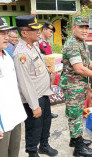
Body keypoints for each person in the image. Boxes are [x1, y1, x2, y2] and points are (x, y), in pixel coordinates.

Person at [59, 17, 92, 157]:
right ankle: (78, 149)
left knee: (78, 113)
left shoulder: (81, 43)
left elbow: (87, 62)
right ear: (74, 28)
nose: (85, 30)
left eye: (87, 28)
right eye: (81, 27)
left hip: (78, 85)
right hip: (73, 86)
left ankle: (75, 140)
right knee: (75, 116)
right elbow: (80, 68)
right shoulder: (72, 44)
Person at [13, 15, 58, 157]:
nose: (39, 31)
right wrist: (34, 105)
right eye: (35, 29)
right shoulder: (21, 53)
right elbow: (24, 82)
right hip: (33, 98)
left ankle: (44, 145)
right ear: (24, 33)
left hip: (43, 93)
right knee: (34, 127)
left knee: (45, 123)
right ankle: (32, 152)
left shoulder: (32, 46)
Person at [0, 16, 27, 157]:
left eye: (6, 33)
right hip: (2, 121)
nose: (5, 37)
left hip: (15, 116)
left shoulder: (8, 55)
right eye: (1, 33)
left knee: (14, 152)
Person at [39, 21, 58, 119]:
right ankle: (43, 113)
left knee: (48, 91)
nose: (51, 34)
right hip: (42, 72)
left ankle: (47, 112)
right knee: (42, 94)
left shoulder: (47, 42)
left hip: (49, 71)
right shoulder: (38, 41)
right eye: (50, 31)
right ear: (44, 30)